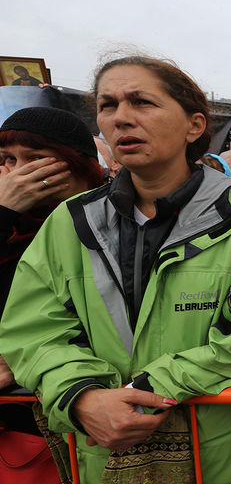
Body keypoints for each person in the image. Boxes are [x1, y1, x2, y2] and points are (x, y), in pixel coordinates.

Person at [0, 55, 231, 483]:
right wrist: (81, 397)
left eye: (142, 102)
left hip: (222, 461)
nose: (122, 119)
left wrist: (146, 390)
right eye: (108, 105)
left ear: (194, 125)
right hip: (100, 457)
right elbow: (33, 330)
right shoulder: (69, 222)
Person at [0, 106, 106, 482]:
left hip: (82, 417)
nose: (16, 172)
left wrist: (28, 356)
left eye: (34, 159)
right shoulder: (11, 227)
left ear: (74, 162)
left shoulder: (109, 219)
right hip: (16, 434)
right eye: (7, 160)